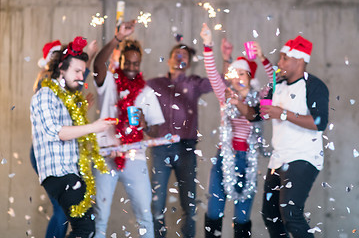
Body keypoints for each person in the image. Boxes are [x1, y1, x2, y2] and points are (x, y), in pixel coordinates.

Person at [30, 36, 115, 238]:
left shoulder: (66, 97)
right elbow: (58, 132)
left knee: (86, 229)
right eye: (76, 71)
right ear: (61, 69)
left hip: (71, 171)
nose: (81, 76)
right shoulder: (45, 95)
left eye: (82, 71)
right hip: (59, 174)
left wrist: (82, 109)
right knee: (85, 229)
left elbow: (68, 123)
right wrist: (93, 127)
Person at [147, 33, 230, 237]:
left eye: (184, 55)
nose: (180, 57)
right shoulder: (153, 84)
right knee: (157, 203)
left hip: (186, 149)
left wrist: (226, 59)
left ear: (189, 62)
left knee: (189, 204)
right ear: (169, 59)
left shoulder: (194, 83)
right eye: (177, 53)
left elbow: (222, 83)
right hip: (159, 148)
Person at [200, 23, 274, 238]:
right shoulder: (226, 95)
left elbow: (276, 80)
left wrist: (262, 57)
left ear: (251, 77)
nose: (239, 77)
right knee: (214, 211)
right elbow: (212, 72)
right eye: (236, 73)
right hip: (224, 157)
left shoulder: (261, 98)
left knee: (242, 218)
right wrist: (208, 44)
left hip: (248, 161)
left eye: (244, 73)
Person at [92, 20, 165, 238]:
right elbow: (97, 65)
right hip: (106, 154)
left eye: (136, 64)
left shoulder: (147, 92)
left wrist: (145, 125)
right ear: (121, 60)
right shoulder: (110, 82)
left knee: (144, 216)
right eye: (128, 62)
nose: (132, 68)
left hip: (135, 156)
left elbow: (157, 131)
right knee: (100, 216)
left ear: (140, 63)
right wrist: (118, 38)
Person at [258, 36, 329, 238]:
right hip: (278, 159)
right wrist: (237, 101)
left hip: (303, 157)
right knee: (270, 215)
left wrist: (282, 113)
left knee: (290, 213)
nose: (279, 64)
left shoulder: (314, 85)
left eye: (284, 58)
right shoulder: (277, 85)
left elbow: (319, 122)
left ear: (299, 60)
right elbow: (257, 114)